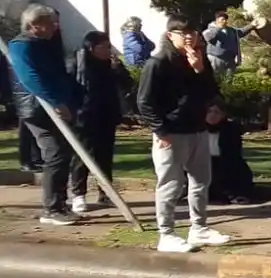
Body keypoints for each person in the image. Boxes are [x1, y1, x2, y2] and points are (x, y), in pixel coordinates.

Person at [138, 18, 230, 252]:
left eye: (192, 32)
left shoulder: (199, 58)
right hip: (171, 132)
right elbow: (144, 102)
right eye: (182, 33)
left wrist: (199, 69)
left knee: (200, 181)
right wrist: (160, 130)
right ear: (170, 35)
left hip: (197, 129)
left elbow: (211, 91)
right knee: (170, 184)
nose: (189, 37)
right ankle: (166, 233)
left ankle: (199, 228)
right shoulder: (158, 63)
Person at [6, 4, 78, 225]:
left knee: (63, 154)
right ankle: (52, 209)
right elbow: (30, 78)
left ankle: (60, 203)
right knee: (54, 153)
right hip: (38, 108)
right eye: (49, 24)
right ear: (34, 25)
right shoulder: (22, 46)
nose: (55, 28)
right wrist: (55, 102)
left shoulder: (45, 44)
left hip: (56, 105)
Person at [67, 31, 126, 215]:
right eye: (103, 47)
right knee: (82, 156)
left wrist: (118, 69)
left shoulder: (111, 64)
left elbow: (127, 83)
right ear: (91, 48)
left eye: (109, 46)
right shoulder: (77, 62)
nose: (108, 51)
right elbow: (70, 86)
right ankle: (78, 194)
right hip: (84, 116)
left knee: (105, 156)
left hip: (106, 115)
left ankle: (105, 193)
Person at [205, 101, 255, 204]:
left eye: (217, 112)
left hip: (225, 163)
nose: (212, 115)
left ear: (223, 114)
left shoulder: (230, 129)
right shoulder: (198, 129)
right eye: (209, 111)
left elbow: (233, 153)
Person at [202, 11, 247, 80]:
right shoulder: (210, 29)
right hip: (216, 58)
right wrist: (218, 28)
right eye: (222, 19)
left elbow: (241, 32)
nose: (224, 21)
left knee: (229, 80)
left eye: (226, 19)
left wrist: (252, 26)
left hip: (230, 59)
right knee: (217, 79)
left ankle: (228, 90)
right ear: (217, 20)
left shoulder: (231, 30)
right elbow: (208, 38)